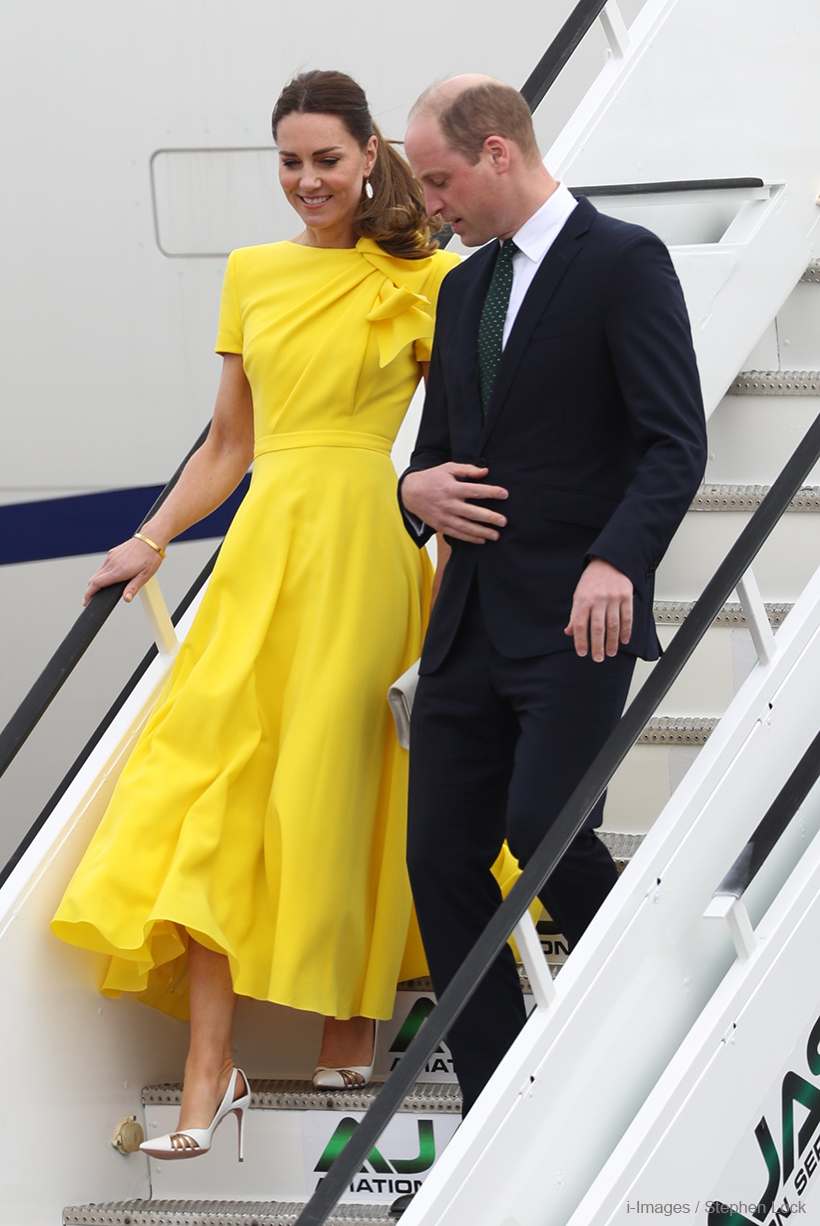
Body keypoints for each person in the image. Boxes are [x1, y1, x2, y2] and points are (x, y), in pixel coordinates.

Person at [51, 69, 459, 1160]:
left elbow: (469, 434)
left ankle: (350, 1021)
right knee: (213, 783)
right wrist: (149, 538)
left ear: (372, 153)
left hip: (367, 550)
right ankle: (210, 1066)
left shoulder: (428, 278)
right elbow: (229, 443)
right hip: (261, 550)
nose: (306, 179)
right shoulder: (251, 272)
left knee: (345, 777)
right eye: (288, 160)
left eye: (326, 158)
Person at [399, 76, 708, 1116]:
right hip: (466, 624)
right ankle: (498, 1090)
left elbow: (675, 441)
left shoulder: (622, 262)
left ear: (496, 153)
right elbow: (435, 455)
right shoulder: (458, 291)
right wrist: (412, 486)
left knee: (541, 831)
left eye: (438, 180)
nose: (430, 205)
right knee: (438, 856)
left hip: (579, 615)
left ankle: (670, 984)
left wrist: (619, 557)